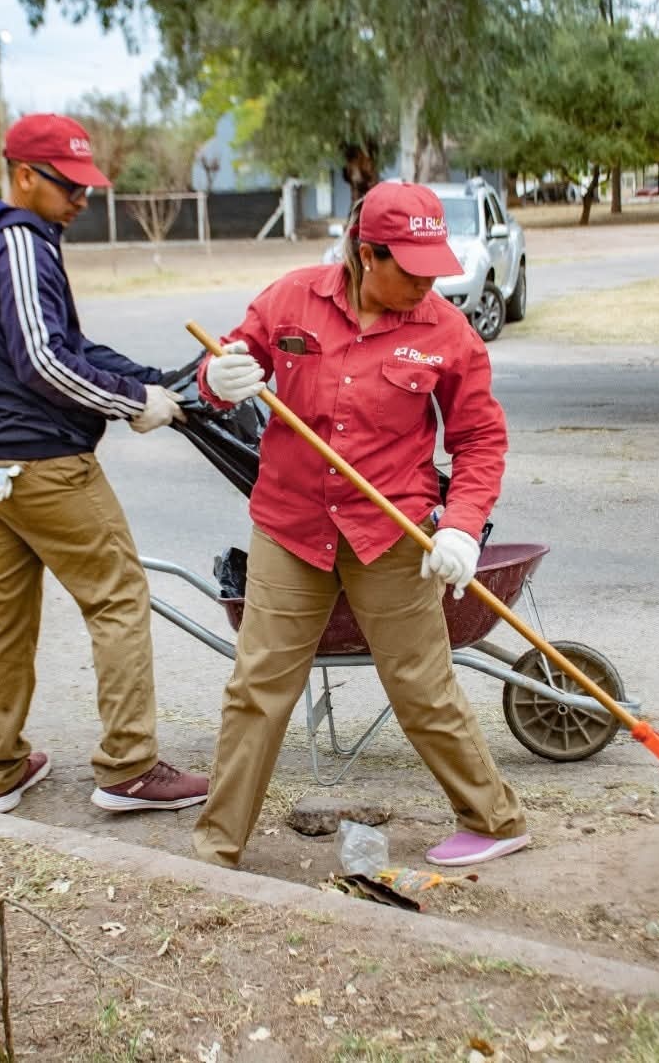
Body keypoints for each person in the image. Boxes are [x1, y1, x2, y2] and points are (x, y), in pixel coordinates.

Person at [190, 181, 529, 870]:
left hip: (391, 533)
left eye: (435, 266)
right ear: (366, 253)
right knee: (257, 688)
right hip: (291, 526)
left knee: (422, 685)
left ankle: (495, 820)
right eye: (412, 268)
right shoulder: (289, 299)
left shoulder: (447, 333)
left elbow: (480, 440)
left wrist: (462, 527)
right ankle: (216, 846)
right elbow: (224, 364)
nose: (429, 283)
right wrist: (215, 379)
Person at [0, 113, 208, 816]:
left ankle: (0, 766)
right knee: (120, 596)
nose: (82, 200)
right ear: (25, 176)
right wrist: (134, 403)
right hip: (43, 462)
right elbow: (43, 360)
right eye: (71, 186)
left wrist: (160, 381)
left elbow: (74, 345)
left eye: (88, 188)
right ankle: (129, 767)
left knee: (2, 615)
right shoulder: (23, 246)